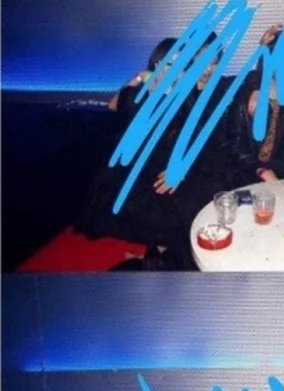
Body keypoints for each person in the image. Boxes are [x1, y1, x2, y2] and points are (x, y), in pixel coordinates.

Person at [76, 33, 234, 268]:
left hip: (171, 169)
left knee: (201, 198)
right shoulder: (143, 96)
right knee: (180, 212)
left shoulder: (191, 94)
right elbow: (114, 107)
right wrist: (141, 77)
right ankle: (159, 257)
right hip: (137, 175)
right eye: (169, 64)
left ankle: (161, 255)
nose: (208, 69)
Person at [229, 32, 284, 185]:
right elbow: (236, 145)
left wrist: (273, 171)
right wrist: (260, 171)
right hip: (246, 173)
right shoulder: (246, 95)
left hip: (283, 173)